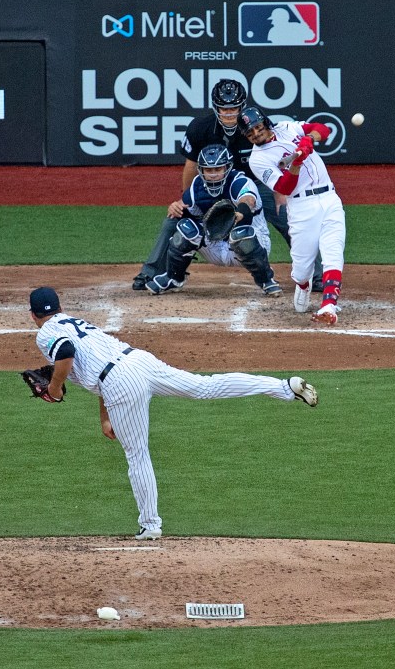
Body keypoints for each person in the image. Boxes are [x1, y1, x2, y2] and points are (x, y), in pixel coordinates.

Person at [28, 286, 318, 540]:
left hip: (120, 381)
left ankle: (150, 524)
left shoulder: (46, 333)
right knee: (204, 387)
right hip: (139, 362)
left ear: (33, 315)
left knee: (137, 455)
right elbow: (99, 368)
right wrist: (105, 417)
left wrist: (54, 387)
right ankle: (282, 387)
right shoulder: (77, 322)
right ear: (61, 307)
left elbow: (66, 352)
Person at [131, 78, 324, 293]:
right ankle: (151, 271)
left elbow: (278, 152)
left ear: (242, 106)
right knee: (176, 216)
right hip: (214, 184)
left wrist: (281, 191)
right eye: (224, 109)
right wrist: (186, 199)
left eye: (234, 108)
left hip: (258, 183)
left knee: (290, 219)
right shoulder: (200, 128)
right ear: (216, 108)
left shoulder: (256, 126)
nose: (229, 113)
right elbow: (191, 166)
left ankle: (317, 276)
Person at [239, 106, 346, 325]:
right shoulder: (257, 160)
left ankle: (329, 305)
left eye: (258, 128)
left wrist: (307, 140)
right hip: (301, 207)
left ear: (265, 123)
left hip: (329, 198)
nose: (256, 134)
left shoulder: (286, 128)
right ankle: (303, 285)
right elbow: (284, 187)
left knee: (332, 250)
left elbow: (322, 129)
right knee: (302, 268)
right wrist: (296, 162)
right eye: (250, 133)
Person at [144, 143, 281, 296]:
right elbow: (185, 208)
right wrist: (175, 207)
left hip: (252, 243)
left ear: (227, 168)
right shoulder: (197, 185)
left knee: (240, 234)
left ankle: (266, 279)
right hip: (216, 243)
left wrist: (239, 214)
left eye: (218, 169)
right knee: (185, 228)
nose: (213, 174)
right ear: (201, 170)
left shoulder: (240, 182)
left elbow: (248, 200)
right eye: (209, 170)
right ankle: (174, 279)